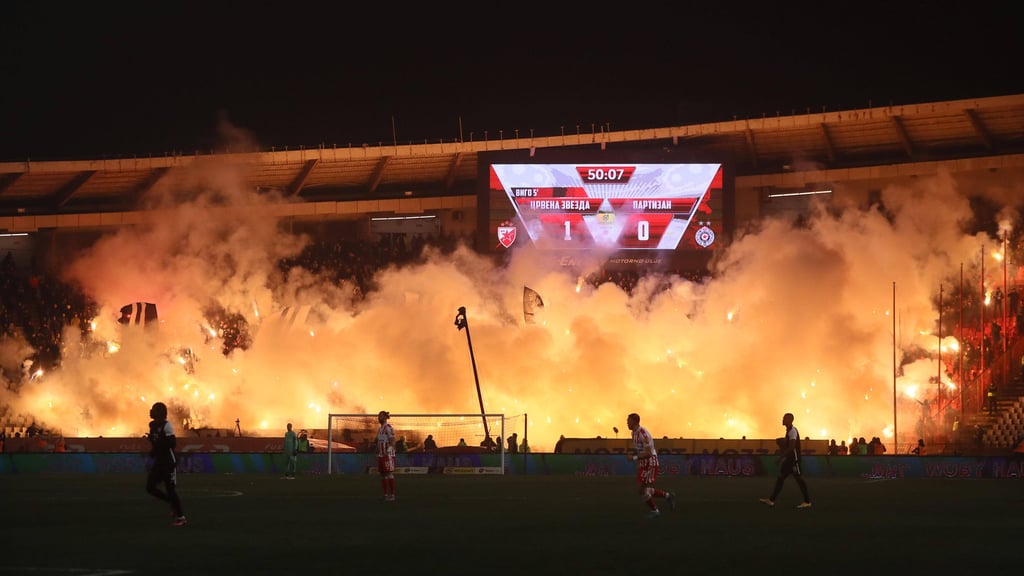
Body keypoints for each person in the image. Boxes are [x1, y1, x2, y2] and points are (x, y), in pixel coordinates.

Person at [626, 412, 675, 518]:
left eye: (628, 421)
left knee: (641, 490)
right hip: (644, 462)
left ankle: (656, 511)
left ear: (634, 421)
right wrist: (639, 462)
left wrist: (634, 458)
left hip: (650, 463)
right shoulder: (633, 433)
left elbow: (648, 453)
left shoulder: (643, 434)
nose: (627, 423)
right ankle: (667, 496)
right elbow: (640, 449)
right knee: (643, 490)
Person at [145, 401, 187, 526]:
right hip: (159, 462)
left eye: (153, 409)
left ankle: (181, 517)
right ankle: (170, 503)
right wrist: (153, 449)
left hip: (168, 462)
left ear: (159, 413)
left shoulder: (166, 426)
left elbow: (172, 443)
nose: (151, 411)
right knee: (150, 487)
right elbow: (156, 441)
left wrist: (158, 444)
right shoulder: (152, 426)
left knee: (170, 489)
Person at [760, 412, 812, 509]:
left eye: (784, 418)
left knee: (799, 479)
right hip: (789, 459)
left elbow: (792, 448)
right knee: (781, 478)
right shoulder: (788, 431)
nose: (782, 420)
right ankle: (771, 500)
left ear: (790, 420)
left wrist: (780, 457)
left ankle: (807, 501)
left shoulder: (792, 431)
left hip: (794, 460)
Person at [376, 410, 396, 501]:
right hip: (381, 455)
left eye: (381, 416)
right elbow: (380, 442)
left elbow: (392, 440)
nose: (379, 418)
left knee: (389, 473)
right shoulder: (380, 429)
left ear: (385, 417)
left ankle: (392, 495)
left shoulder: (388, 428)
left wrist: (388, 451)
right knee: (383, 474)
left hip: (388, 455)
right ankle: (385, 495)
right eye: (378, 416)